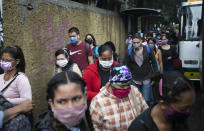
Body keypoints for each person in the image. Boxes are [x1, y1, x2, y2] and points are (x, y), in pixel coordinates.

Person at [128, 71, 195, 131]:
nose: (188, 112)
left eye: (190, 107)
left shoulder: (179, 120)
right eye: (183, 109)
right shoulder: (139, 127)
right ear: (163, 104)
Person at [90, 65, 148, 130]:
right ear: (111, 83)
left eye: (128, 85)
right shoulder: (98, 102)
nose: (126, 89)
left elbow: (146, 112)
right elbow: (96, 127)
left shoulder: (134, 91)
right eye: (122, 87)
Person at [125, 34, 158, 106]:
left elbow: (154, 63)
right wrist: (128, 77)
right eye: (134, 43)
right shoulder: (129, 52)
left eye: (137, 42)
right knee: (136, 100)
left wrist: (155, 76)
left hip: (147, 78)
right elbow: (127, 65)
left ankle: (146, 114)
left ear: (141, 41)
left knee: (146, 99)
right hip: (135, 79)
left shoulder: (148, 49)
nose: (136, 44)